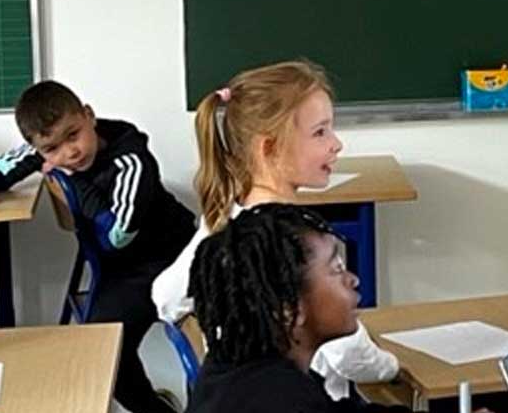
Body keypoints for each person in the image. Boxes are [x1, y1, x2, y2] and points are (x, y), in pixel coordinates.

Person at [152, 60, 398, 401]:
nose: (336, 144)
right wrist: (392, 367)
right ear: (269, 148)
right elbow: (349, 353)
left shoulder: (227, 217)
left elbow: (165, 297)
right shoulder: (286, 246)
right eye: (320, 132)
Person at [0, 80, 194, 413]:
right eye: (52, 149)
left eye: (73, 134)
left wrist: (75, 179)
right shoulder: (47, 151)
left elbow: (117, 238)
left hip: (166, 260)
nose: (69, 152)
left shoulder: (132, 163)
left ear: (89, 116)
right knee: (101, 350)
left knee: (108, 349)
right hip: (118, 268)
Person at [185, 203, 407, 413]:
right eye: (337, 269)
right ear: (289, 309)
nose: (353, 280)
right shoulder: (285, 400)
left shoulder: (230, 366)